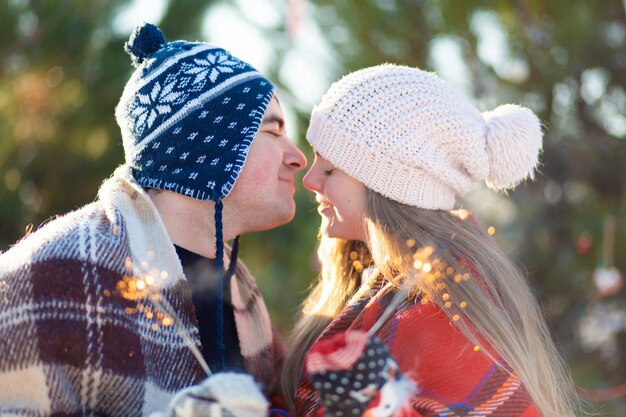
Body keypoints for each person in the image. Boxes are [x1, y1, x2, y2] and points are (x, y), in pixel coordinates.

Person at [0, 22, 306, 417]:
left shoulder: (241, 293)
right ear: (208, 149)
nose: (297, 156)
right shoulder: (51, 275)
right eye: (273, 130)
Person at [280, 65, 579, 417]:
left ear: (387, 185)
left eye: (330, 169)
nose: (310, 180)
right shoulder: (371, 276)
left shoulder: (440, 312)